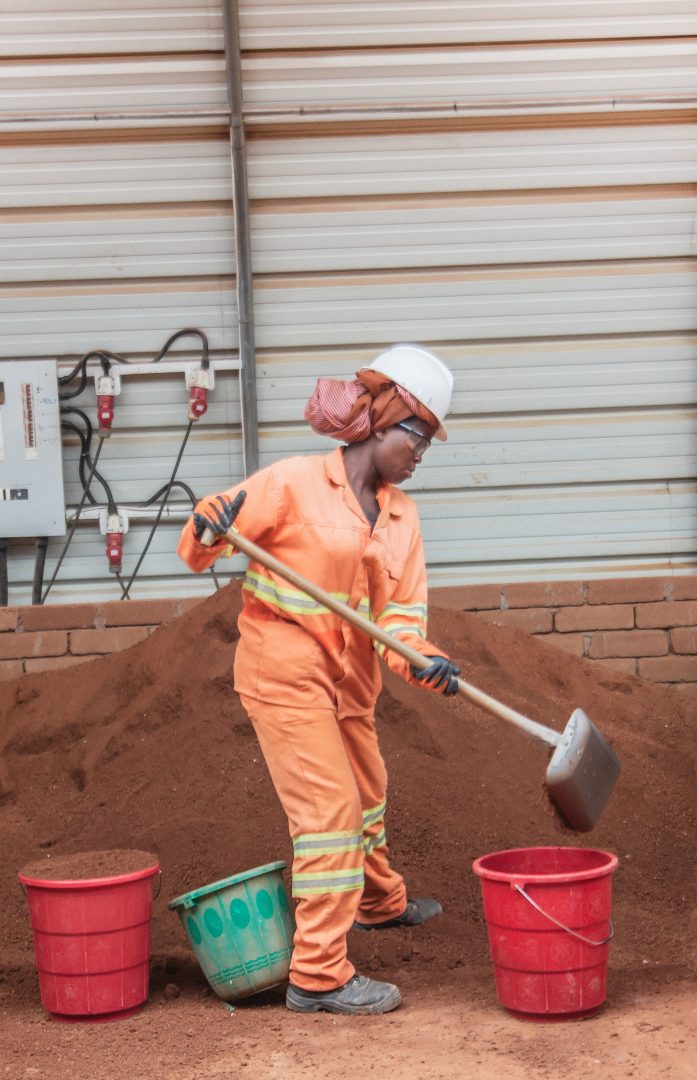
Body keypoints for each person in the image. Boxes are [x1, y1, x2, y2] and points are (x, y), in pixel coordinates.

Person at [176, 344, 461, 1016]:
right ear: (382, 422)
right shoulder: (295, 483)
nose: (421, 452)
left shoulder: (403, 518)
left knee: (367, 792)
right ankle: (318, 975)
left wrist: (425, 663)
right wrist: (208, 527)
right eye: (415, 434)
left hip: (349, 685)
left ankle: (379, 903)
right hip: (284, 674)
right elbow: (198, 545)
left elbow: (401, 622)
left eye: (428, 441)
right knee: (329, 816)